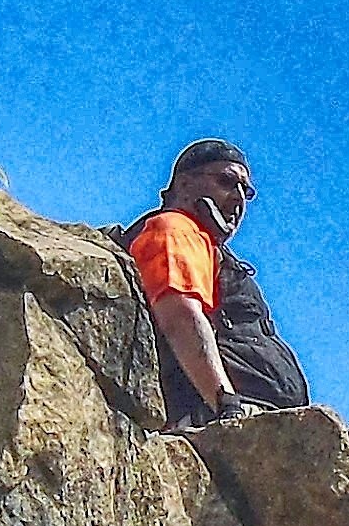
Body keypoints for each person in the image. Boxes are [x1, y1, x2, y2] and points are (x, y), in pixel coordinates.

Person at [123, 139, 310, 427]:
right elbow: (180, 317)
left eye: (245, 191)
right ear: (184, 185)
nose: (238, 198)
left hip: (251, 416)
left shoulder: (206, 245)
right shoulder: (176, 229)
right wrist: (228, 406)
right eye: (226, 182)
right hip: (218, 417)